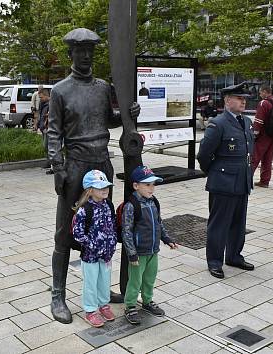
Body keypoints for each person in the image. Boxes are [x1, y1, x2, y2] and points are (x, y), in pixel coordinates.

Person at [47, 27, 139, 324]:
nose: (86, 56)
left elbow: (109, 120)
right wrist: (58, 167)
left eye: (90, 50)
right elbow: (52, 133)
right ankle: (57, 294)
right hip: (75, 167)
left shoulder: (103, 87)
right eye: (80, 50)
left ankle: (101, 292)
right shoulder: (60, 90)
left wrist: (128, 113)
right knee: (65, 230)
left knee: (104, 229)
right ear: (70, 53)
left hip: (102, 164)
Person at [197, 82, 255, 279]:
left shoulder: (246, 122)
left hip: (242, 181)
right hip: (223, 182)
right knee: (219, 224)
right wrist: (213, 173)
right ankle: (214, 261)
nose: (243, 101)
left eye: (244, 99)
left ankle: (234, 256)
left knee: (238, 223)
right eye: (239, 98)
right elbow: (204, 154)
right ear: (227, 100)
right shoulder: (218, 123)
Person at [122, 166, 178, 324]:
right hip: (138, 253)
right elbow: (126, 232)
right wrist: (131, 253)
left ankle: (147, 301)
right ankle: (131, 306)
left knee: (149, 279)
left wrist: (167, 239)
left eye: (153, 184)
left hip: (153, 250)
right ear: (136, 186)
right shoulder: (131, 205)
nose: (151, 188)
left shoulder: (154, 202)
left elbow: (159, 223)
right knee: (135, 280)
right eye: (147, 184)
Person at [72, 170, 118, 327]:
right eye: (100, 187)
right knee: (90, 283)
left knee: (105, 281)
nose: (105, 189)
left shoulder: (109, 205)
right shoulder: (85, 209)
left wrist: (112, 242)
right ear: (90, 190)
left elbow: (112, 225)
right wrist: (91, 245)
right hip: (90, 256)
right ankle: (91, 310)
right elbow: (77, 233)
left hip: (106, 255)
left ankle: (103, 304)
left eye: (106, 186)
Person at [251, 85, 273, 188]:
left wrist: (255, 133)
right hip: (272, 135)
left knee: (255, 156)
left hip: (263, 135)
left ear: (265, 92)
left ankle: (247, 178)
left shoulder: (264, 103)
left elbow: (259, 120)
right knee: (267, 158)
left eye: (260, 92)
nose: (259, 94)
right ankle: (265, 181)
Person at [37, 88, 52, 173]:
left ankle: (50, 163)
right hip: (44, 128)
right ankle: (49, 162)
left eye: (41, 97)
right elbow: (40, 115)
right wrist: (39, 124)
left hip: (48, 128)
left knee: (47, 146)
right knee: (45, 146)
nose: (40, 99)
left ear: (47, 96)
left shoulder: (51, 104)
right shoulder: (42, 104)